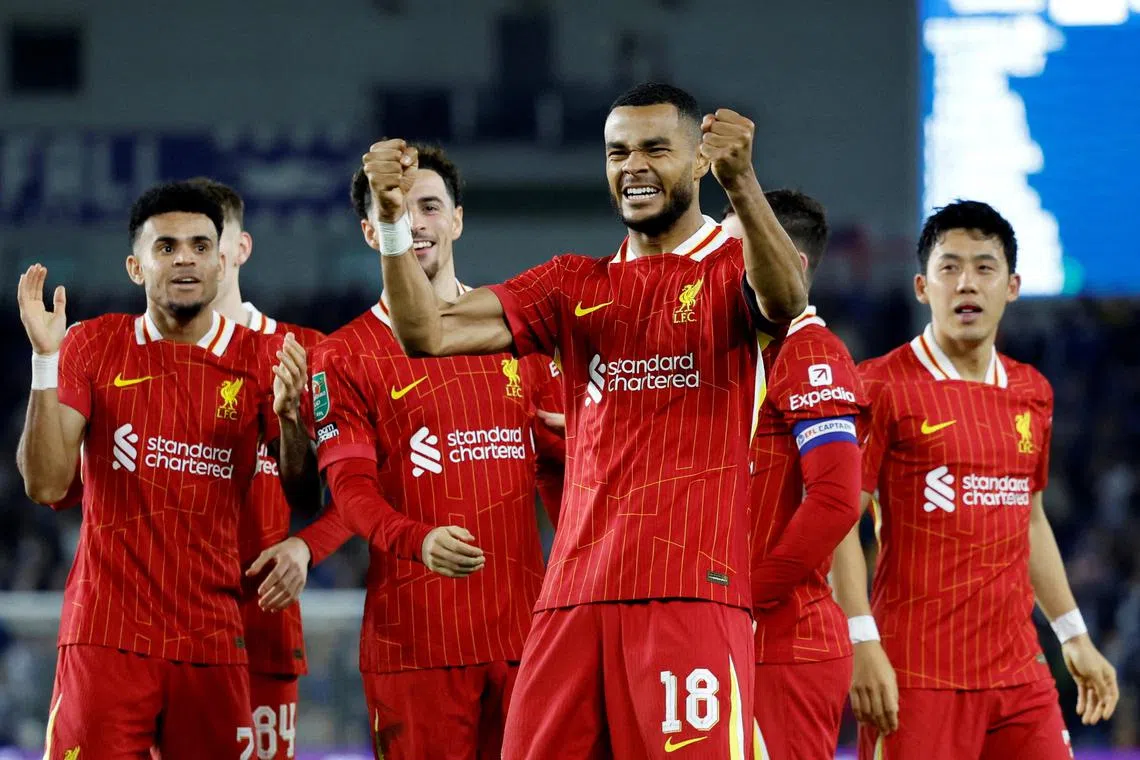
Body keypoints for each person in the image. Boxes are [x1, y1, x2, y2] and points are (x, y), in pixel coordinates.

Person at [368, 82, 808, 758]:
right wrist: (394, 223)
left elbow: (784, 300)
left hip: (689, 593)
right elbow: (425, 331)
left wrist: (743, 183)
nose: (633, 166)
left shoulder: (729, 270)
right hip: (571, 597)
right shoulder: (572, 284)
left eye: (656, 149)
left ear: (698, 163)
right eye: (617, 152)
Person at [261, 145, 563, 760]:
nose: (417, 222)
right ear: (374, 231)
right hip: (415, 650)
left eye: (430, 206)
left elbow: (565, 473)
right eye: (397, 209)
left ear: (457, 220)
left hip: (525, 642)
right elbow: (350, 491)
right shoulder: (343, 356)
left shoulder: (521, 338)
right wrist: (416, 538)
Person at [15, 181, 317, 759]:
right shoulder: (92, 343)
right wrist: (45, 359)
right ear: (136, 267)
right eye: (167, 247)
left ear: (222, 258)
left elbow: (303, 494)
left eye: (201, 246)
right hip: (106, 637)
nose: (186, 259)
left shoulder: (263, 359)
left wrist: (289, 421)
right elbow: (46, 483)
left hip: (212, 640)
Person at [830, 200, 1119, 759]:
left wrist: (1074, 635)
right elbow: (840, 522)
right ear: (922, 286)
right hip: (915, 675)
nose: (967, 283)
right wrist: (861, 640)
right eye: (950, 267)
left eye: (985, 268)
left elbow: (1029, 519)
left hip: (1020, 675)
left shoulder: (1032, 390)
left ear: (1012, 286)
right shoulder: (879, 386)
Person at [184, 177, 326, 760]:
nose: (197, 257)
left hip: (261, 632)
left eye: (213, 241)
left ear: (241, 250)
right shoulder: (141, 358)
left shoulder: (307, 350)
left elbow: (351, 488)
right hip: (158, 634)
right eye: (181, 245)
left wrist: (306, 547)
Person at [728, 192, 865, 760]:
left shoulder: (812, 355)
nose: (714, 270)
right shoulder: (738, 355)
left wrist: (745, 599)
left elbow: (836, 500)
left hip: (785, 646)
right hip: (730, 639)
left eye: (732, 254)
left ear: (791, 265)